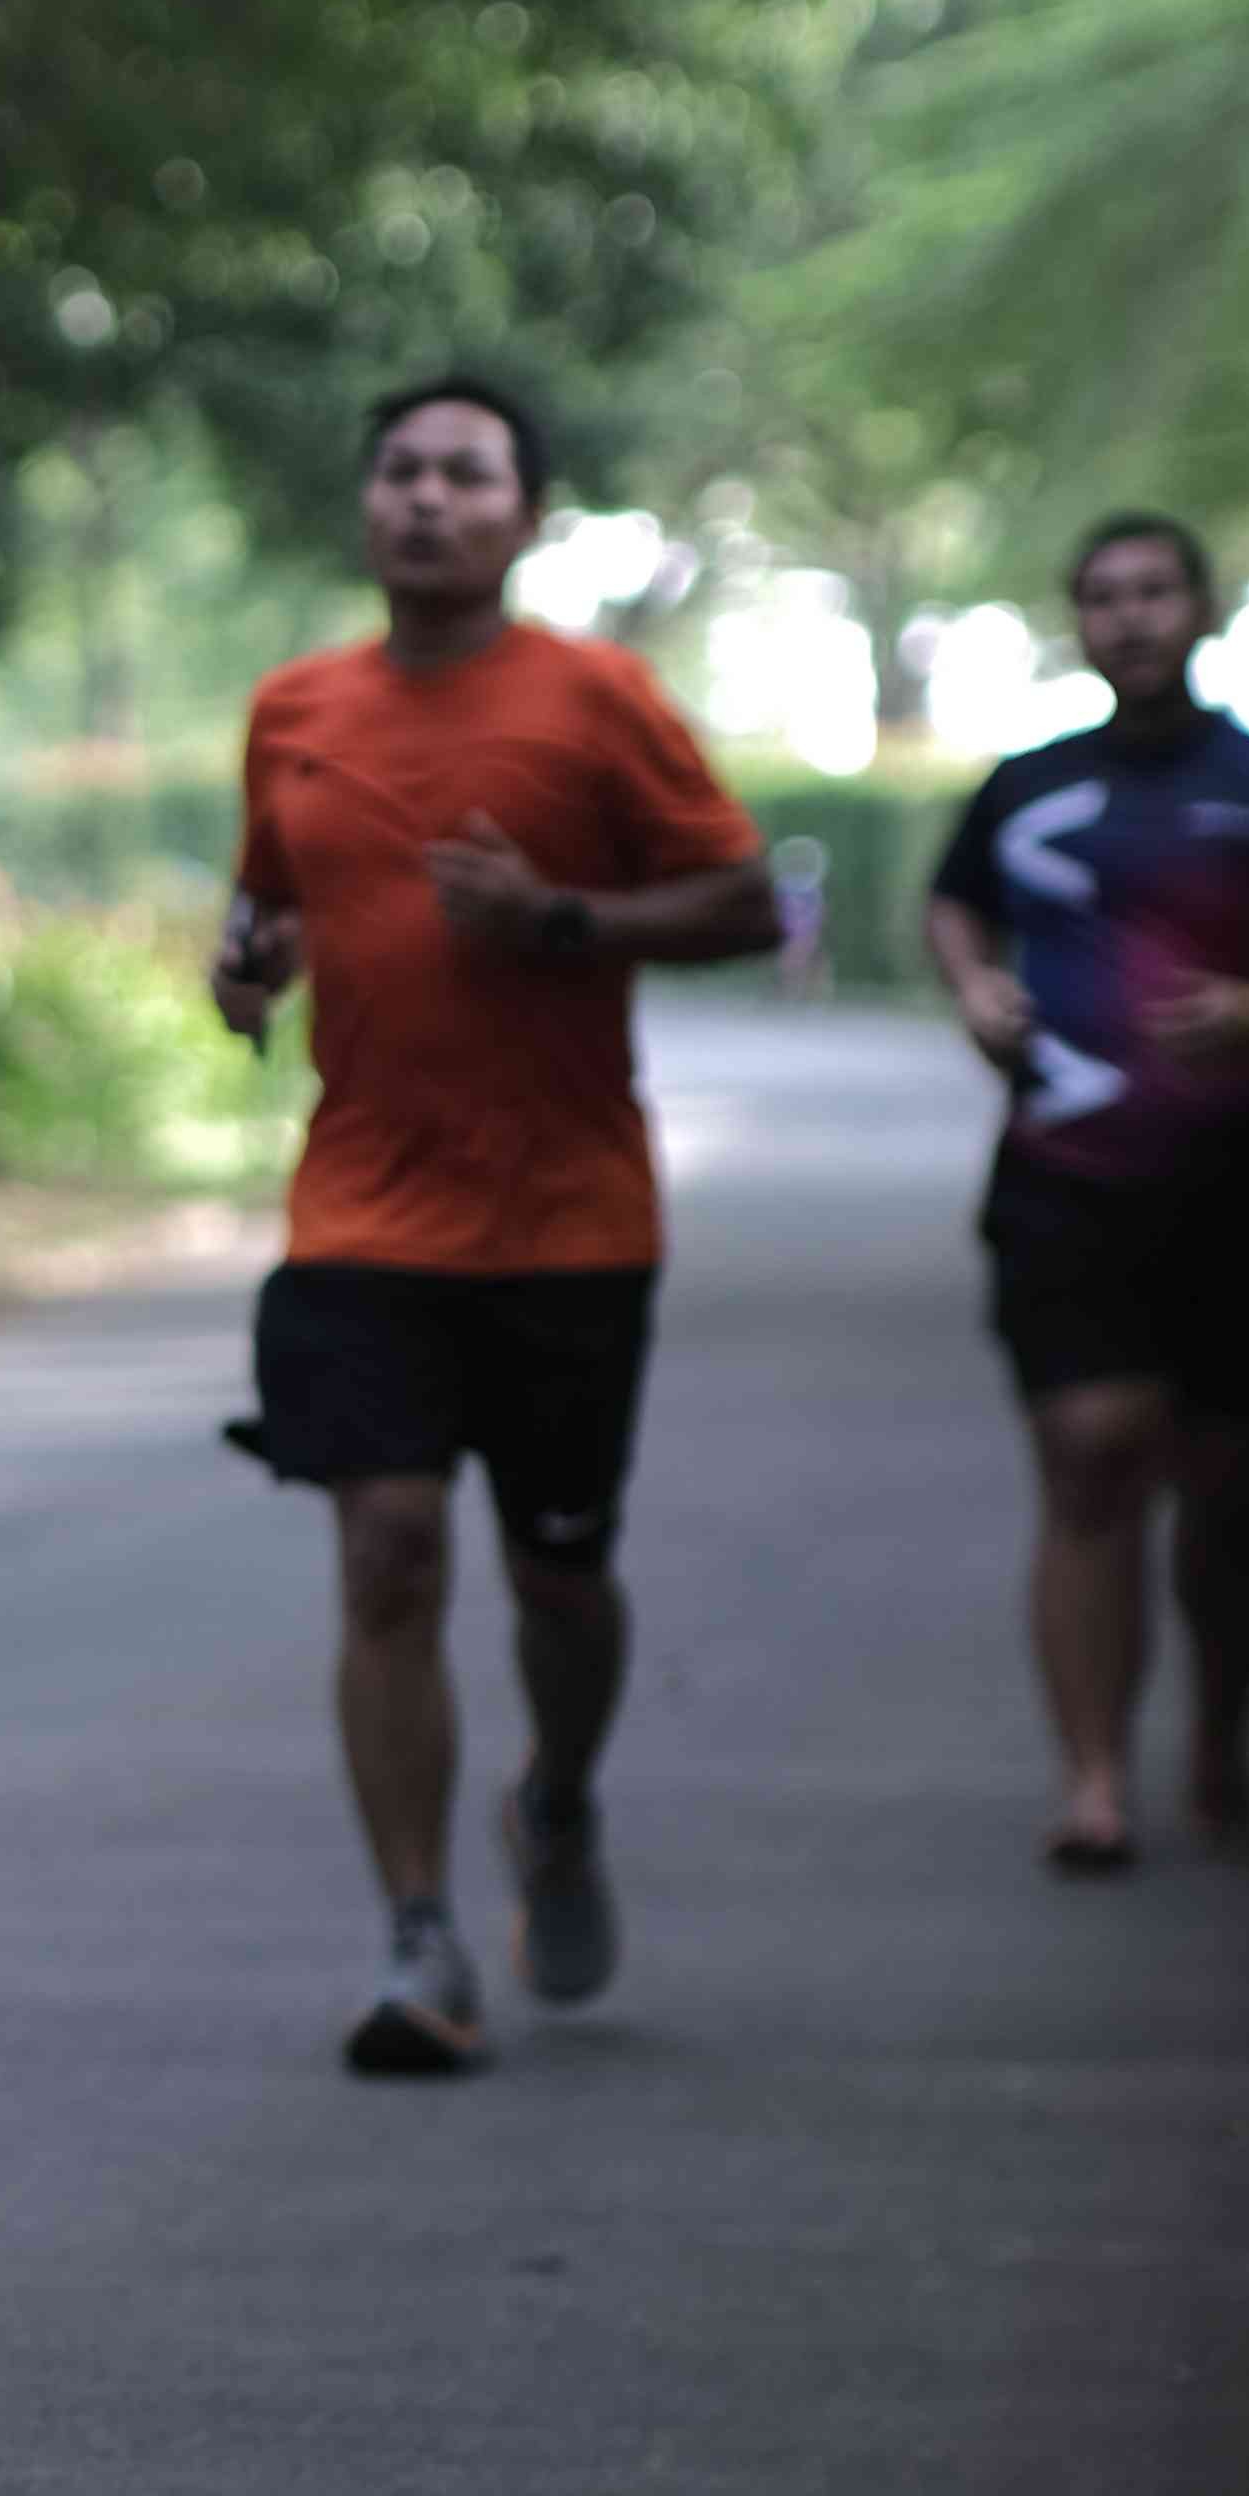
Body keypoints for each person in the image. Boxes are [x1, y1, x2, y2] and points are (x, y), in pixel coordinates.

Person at [212, 380, 776, 2074]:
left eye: (467, 476)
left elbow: (749, 902)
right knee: (388, 1545)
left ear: (527, 519)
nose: (427, 500)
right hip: (362, 1207)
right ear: (364, 504)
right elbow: (274, 891)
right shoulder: (296, 706)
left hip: (569, 1220)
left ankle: (560, 1799)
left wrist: (561, 921)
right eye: (400, 471)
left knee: (560, 1579)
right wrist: (250, 960)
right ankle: (418, 1939)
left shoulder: (598, 699)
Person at [920, 513, 1249, 1870]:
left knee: (1232, 1486)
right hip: (1063, 1181)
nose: (1129, 617)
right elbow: (956, 905)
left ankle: (1221, 1740)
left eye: (1153, 592)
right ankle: (1092, 1781)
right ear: (1076, 623)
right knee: (1090, 1454)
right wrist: (977, 988)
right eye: (1102, 597)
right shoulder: (1025, 785)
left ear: (1205, 611)